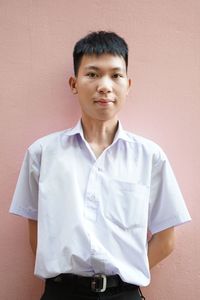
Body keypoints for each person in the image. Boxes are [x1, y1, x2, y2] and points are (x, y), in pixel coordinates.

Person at [10, 31, 191, 300]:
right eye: (92, 74)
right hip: (61, 293)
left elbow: (166, 240)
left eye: (115, 75)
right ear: (74, 83)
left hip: (124, 294)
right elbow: (37, 233)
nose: (104, 86)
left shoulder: (149, 156)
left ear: (128, 85)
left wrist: (123, 276)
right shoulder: (42, 153)